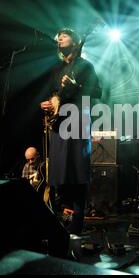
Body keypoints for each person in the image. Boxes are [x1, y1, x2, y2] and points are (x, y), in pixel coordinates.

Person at [40, 28, 101, 235]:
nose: (59, 38)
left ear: (75, 42)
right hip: (59, 125)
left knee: (76, 172)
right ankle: (63, 222)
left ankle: (76, 224)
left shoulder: (85, 66)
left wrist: (77, 85)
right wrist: (49, 104)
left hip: (77, 122)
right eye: (58, 37)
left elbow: (97, 91)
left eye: (64, 36)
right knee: (61, 174)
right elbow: (55, 95)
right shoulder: (57, 69)